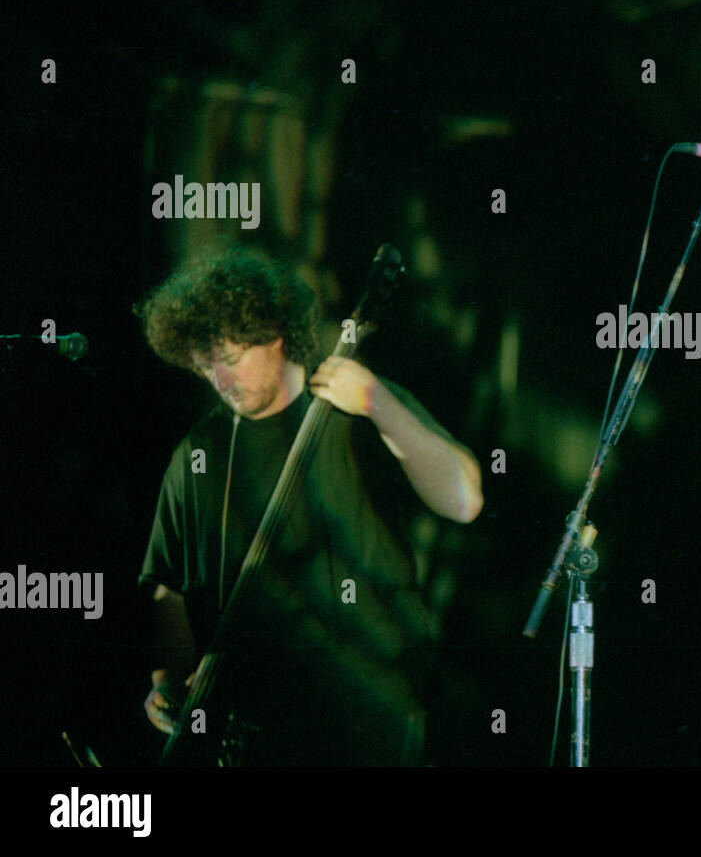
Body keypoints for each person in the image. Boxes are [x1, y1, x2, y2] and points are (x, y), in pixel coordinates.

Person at [136, 247, 482, 765]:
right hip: (253, 731)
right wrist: (166, 679)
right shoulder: (198, 454)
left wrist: (378, 404)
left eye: (230, 360)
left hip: (367, 716)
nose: (222, 381)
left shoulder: (355, 405)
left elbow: (464, 500)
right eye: (207, 366)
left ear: (275, 335)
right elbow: (167, 587)